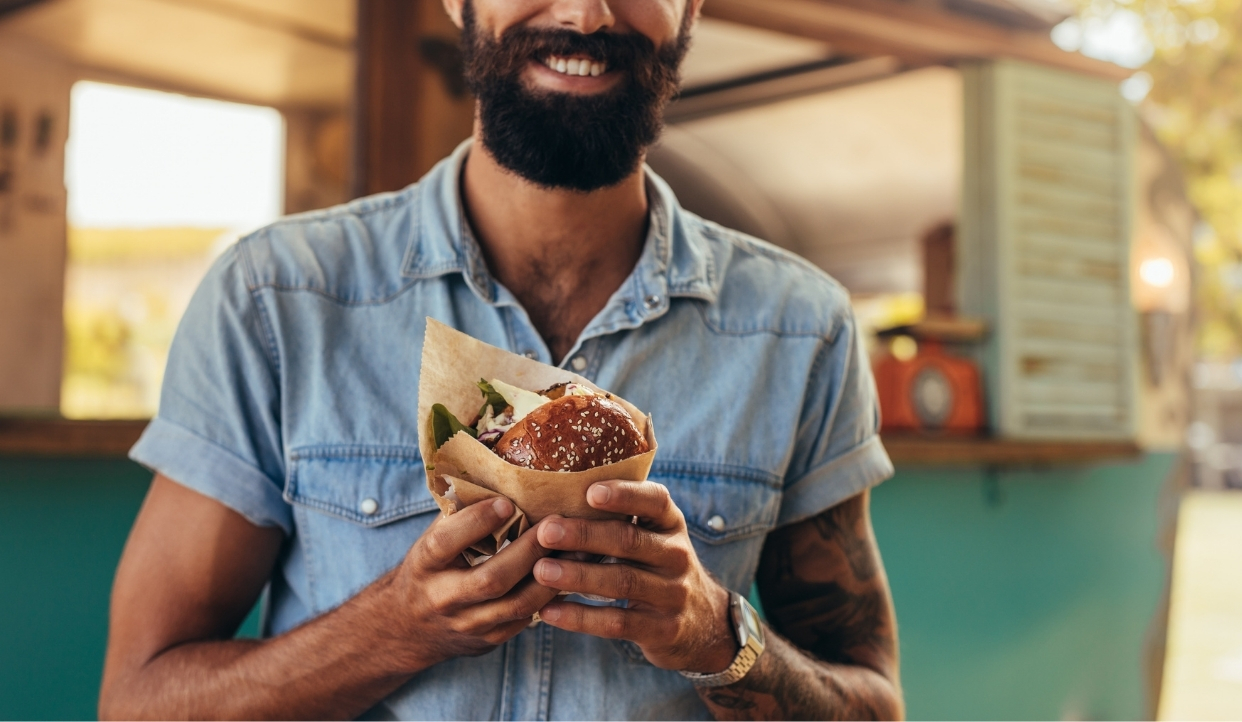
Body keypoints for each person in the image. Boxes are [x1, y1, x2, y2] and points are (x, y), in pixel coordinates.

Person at [99, 0, 904, 719]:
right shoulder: (276, 300)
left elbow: (874, 707)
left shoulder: (803, 331)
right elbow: (139, 703)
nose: (588, 15)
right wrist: (395, 629)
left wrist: (712, 633)